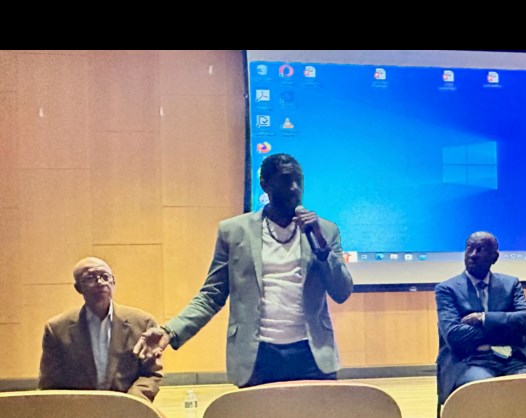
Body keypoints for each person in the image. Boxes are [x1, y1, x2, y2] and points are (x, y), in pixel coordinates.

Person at [134, 153, 353, 387]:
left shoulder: (325, 231)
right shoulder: (234, 231)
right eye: (286, 180)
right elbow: (211, 295)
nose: (295, 188)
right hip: (257, 357)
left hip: (312, 355)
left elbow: (342, 292)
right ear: (265, 185)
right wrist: (171, 331)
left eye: (299, 181)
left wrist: (322, 250)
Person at [435, 231, 526, 404]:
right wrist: (507, 328)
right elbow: (455, 336)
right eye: (469, 248)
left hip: (513, 360)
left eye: (480, 250)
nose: (473, 255)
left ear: (494, 257)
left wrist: (483, 319)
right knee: (485, 390)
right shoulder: (447, 289)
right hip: (471, 361)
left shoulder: (510, 284)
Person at [39, 257, 163, 402]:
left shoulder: (142, 323)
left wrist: (132, 402)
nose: (100, 282)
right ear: (78, 287)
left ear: (113, 282)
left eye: (105, 277)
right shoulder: (57, 329)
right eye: (90, 278)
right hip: (78, 414)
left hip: (128, 412)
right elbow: (50, 383)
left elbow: (151, 374)